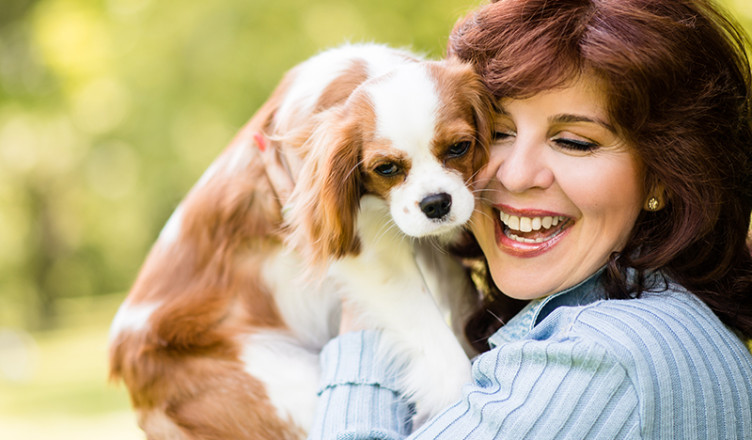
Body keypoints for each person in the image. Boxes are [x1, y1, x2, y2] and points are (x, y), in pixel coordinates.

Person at [262, 0, 752, 438]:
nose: (515, 176)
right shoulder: (657, 314)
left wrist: (366, 296)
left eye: (575, 142)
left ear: (665, 177)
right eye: (495, 134)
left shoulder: (605, 359)